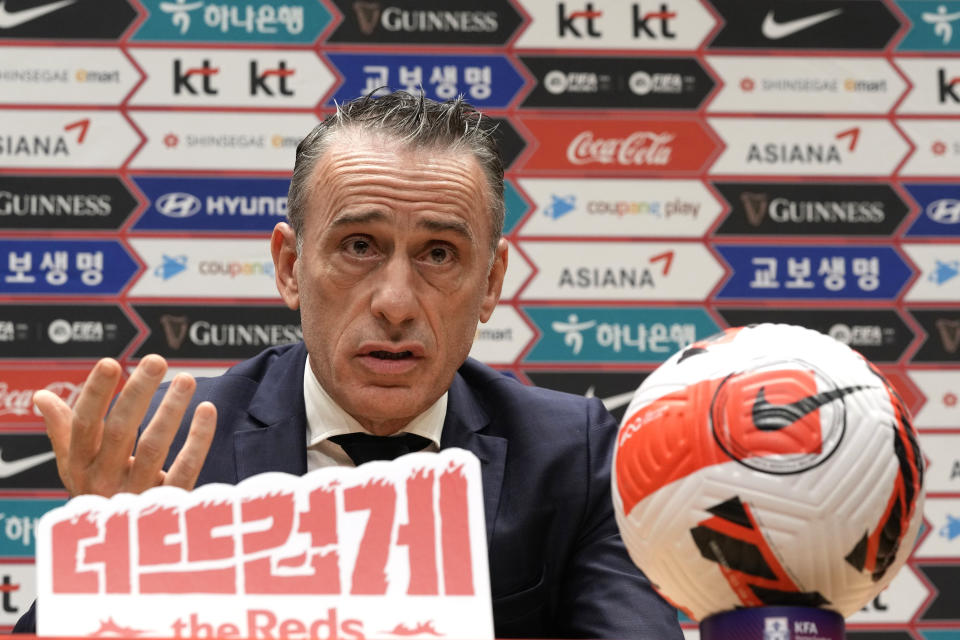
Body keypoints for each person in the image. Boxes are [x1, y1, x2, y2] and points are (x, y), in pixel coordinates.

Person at [15, 91, 682, 639]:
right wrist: (104, 570)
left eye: (440, 254)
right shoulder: (171, 457)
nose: (395, 302)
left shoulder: (574, 457)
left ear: (489, 283)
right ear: (289, 267)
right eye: (359, 245)